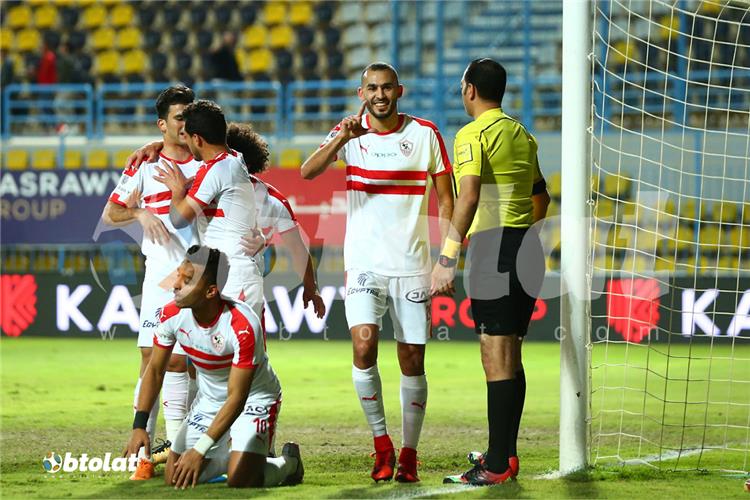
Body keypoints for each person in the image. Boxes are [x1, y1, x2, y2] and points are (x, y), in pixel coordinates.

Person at [300, 62, 455, 483]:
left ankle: (409, 453)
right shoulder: (349, 133)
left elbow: (448, 198)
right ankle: (382, 445)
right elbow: (307, 172)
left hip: (412, 265)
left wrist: (447, 257)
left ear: (399, 91)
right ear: (361, 93)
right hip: (364, 264)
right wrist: (341, 140)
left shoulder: (425, 134)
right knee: (364, 346)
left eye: (387, 88)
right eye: (372, 88)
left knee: (412, 359)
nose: (380, 95)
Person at [431, 58, 549, 486]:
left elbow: (469, 196)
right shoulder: (523, 135)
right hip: (526, 247)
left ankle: (497, 465)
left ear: (469, 90)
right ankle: (504, 454)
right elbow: (541, 198)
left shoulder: (472, 134)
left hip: (493, 249)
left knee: (495, 355)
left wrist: (447, 256)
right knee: (510, 354)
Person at [123, 245, 303, 488]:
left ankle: (289, 463)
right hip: (210, 400)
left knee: (240, 480)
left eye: (187, 280)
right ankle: (231, 457)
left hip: (253, 398)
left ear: (210, 291)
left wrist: (200, 450)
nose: (175, 285)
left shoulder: (242, 325)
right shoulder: (169, 315)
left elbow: (237, 397)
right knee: (174, 477)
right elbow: (155, 371)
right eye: (178, 275)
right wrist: (139, 426)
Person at [101, 85, 201, 479]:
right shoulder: (145, 165)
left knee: (190, 363)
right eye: (179, 117)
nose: (185, 124)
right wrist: (140, 214)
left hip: (201, 272)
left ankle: (184, 445)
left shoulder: (207, 159)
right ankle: (143, 449)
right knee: (151, 358)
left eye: (189, 116)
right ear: (162, 124)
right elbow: (111, 213)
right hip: (160, 274)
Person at [154, 100, 264, 318]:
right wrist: (155, 145)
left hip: (234, 274)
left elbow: (179, 219)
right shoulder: (234, 159)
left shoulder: (216, 168)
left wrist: (177, 191)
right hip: (233, 272)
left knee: (236, 339)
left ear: (197, 139)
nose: (186, 142)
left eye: (187, 137)